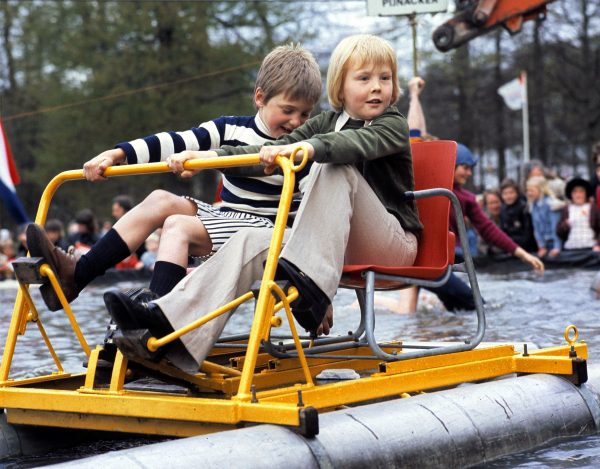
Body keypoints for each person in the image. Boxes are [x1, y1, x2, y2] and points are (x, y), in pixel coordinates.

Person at [103, 34, 422, 371]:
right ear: (340, 88)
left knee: (335, 167)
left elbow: (354, 143)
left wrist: (306, 149)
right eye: (364, 78)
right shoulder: (323, 124)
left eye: (384, 78)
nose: (376, 87)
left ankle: (314, 291)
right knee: (250, 240)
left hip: (391, 244)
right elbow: (258, 157)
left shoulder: (392, 124)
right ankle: (170, 333)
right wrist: (210, 157)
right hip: (326, 245)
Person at [26, 43, 322, 312]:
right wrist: (117, 154)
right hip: (230, 218)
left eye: (305, 115)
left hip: (266, 235)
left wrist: (318, 291)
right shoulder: (230, 129)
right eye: (288, 110)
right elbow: (175, 141)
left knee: (177, 226)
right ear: (260, 98)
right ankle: (78, 275)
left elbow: (315, 213)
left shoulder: (302, 149)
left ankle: (158, 317)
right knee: (159, 200)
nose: (296, 122)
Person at [423, 145, 544, 311]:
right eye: (465, 168)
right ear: (451, 165)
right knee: (480, 307)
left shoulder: (467, 198)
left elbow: (488, 229)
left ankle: (449, 335)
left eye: (470, 169)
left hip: (440, 267)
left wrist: (523, 254)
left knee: (458, 309)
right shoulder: (429, 188)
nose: (469, 173)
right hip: (427, 265)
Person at [556, 177, 600, 251]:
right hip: (571, 248)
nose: (578, 195)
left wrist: (598, 244)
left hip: (590, 247)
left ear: (586, 193)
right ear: (571, 194)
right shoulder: (566, 209)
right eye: (575, 192)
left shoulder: (593, 208)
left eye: (581, 192)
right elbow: (559, 232)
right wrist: (565, 225)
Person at [526, 175, 562, 257]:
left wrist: (557, 247)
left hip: (555, 242)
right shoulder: (533, 206)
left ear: (541, 190)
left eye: (531, 190)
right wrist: (541, 246)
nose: (529, 193)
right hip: (545, 244)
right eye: (528, 190)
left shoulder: (551, 204)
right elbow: (536, 228)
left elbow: (555, 226)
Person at [499, 179, 537, 252]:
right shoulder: (503, 209)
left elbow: (528, 233)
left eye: (511, 192)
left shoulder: (524, 208)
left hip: (526, 249)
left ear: (517, 193)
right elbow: (503, 230)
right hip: (509, 247)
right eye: (505, 193)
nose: (508, 196)